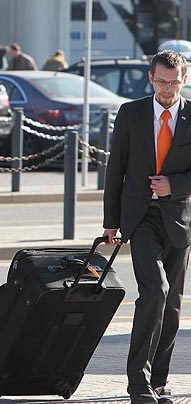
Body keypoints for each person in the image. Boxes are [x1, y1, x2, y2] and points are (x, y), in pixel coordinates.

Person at [103, 50, 190, 404]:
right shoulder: (131, 112)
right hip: (139, 218)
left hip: (179, 218)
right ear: (150, 78)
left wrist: (176, 184)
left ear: (184, 79)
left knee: (172, 302)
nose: (167, 88)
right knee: (155, 291)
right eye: (161, 81)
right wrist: (111, 223)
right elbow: (115, 169)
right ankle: (137, 382)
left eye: (174, 81)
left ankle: (159, 379)